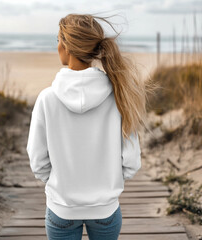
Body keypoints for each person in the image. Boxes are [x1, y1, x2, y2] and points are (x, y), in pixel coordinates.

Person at [26, 13, 152, 240]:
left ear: (66, 46)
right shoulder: (119, 97)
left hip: (61, 208)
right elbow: (132, 162)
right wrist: (107, 183)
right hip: (105, 209)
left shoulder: (47, 99)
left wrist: (60, 184)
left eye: (58, 40)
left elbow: (37, 162)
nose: (57, 46)